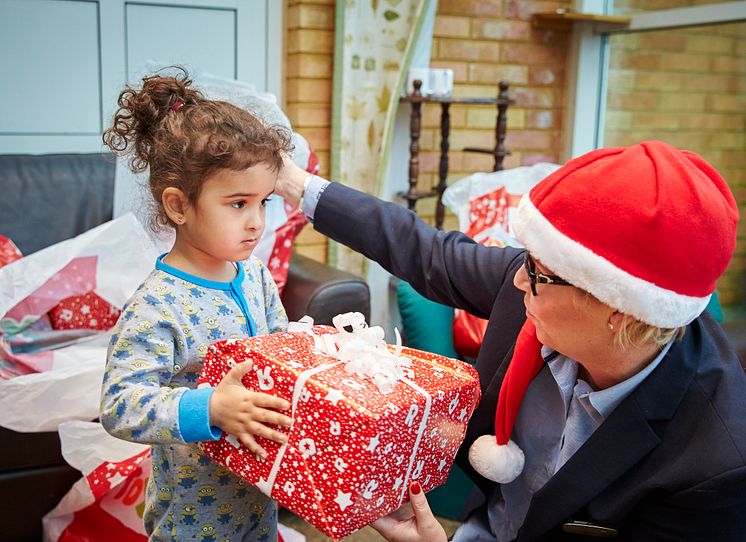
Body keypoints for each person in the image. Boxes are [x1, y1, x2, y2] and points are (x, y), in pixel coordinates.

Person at [276, 140, 746, 541]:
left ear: (619, 310)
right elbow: (425, 251)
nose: (518, 280)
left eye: (539, 272)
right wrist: (294, 182)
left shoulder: (715, 463)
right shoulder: (537, 286)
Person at [100, 70, 293, 541]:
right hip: (194, 515)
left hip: (260, 495)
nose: (257, 222)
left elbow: (284, 351)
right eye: (237, 203)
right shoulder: (158, 305)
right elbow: (120, 404)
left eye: (263, 202)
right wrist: (210, 407)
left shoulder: (256, 277)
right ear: (178, 205)